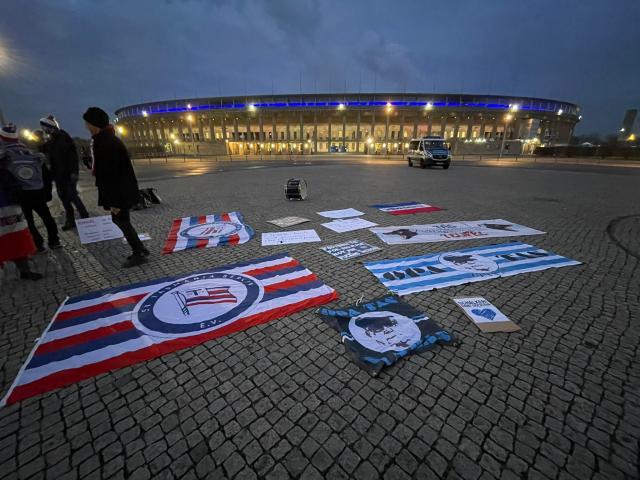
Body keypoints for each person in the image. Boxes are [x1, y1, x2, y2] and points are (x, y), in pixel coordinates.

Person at [82, 107, 148, 267]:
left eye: (87, 123)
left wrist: (115, 202)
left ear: (94, 124)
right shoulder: (104, 140)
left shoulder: (107, 143)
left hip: (119, 192)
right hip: (119, 190)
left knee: (122, 220)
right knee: (120, 220)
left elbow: (112, 174)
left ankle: (139, 252)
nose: (86, 126)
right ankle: (140, 249)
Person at [0, 124, 60, 252]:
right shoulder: (31, 153)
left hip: (21, 193)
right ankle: (54, 241)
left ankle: (39, 245)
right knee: (47, 217)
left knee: (28, 222)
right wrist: (47, 191)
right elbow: (45, 174)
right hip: (38, 191)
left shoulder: (4, 156)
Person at [0, 132, 43, 280]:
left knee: (16, 236)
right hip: (8, 204)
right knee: (14, 237)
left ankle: (24, 269)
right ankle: (23, 269)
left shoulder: (6, 168)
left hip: (9, 205)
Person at [40, 115, 89, 230]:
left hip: (67, 174)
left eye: (44, 127)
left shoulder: (63, 137)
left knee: (72, 196)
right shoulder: (52, 139)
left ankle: (86, 219)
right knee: (64, 198)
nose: (44, 130)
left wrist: (74, 172)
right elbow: (44, 149)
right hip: (58, 175)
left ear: (50, 126)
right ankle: (70, 219)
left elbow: (72, 156)